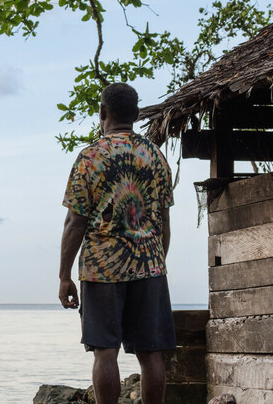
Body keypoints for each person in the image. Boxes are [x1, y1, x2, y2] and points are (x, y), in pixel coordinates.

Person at [58, 83, 175, 404]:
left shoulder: (90, 157)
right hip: (149, 266)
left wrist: (64, 275)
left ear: (102, 112)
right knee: (151, 354)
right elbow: (164, 222)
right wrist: (155, 263)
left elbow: (75, 223)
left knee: (105, 352)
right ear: (137, 115)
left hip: (102, 269)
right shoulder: (155, 156)